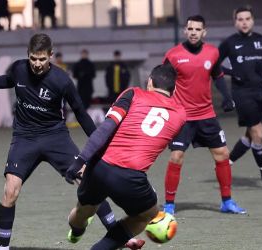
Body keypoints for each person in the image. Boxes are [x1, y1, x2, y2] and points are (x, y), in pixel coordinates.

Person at [0, 33, 122, 250]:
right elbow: (8, 81)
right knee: (10, 191)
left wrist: (99, 142)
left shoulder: (62, 80)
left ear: (51, 55)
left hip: (55, 137)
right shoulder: (19, 68)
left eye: (42, 59)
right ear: (27, 55)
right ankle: (2, 248)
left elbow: (81, 113)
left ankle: (118, 235)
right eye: (33, 58)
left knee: (89, 181)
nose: (37, 64)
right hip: (24, 138)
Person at [65, 64, 186, 250]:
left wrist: (80, 161)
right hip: (129, 178)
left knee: (83, 211)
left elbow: (106, 129)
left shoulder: (132, 93)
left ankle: (76, 231)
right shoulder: (181, 114)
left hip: (99, 166)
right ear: (175, 89)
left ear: (150, 82)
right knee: (148, 214)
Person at [162, 15, 246, 215]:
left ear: (204, 32)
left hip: (206, 115)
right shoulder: (173, 55)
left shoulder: (212, 53)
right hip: (182, 116)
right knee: (176, 157)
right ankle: (169, 205)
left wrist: (226, 97)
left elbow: (217, 76)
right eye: (190, 29)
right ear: (185, 30)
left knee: (222, 155)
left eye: (197, 29)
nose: (193, 32)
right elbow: (162, 81)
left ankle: (226, 202)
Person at [218, 6, 262, 189]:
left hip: (259, 92)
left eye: (247, 18)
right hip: (242, 94)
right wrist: (233, 72)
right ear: (235, 22)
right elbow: (214, 65)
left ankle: (226, 165)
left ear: (253, 21)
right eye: (240, 19)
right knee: (259, 134)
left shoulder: (261, 41)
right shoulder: (229, 43)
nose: (244, 22)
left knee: (251, 134)